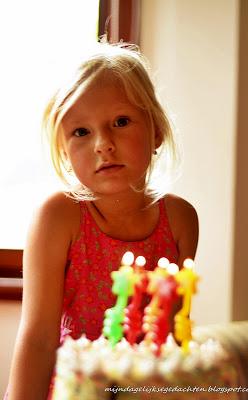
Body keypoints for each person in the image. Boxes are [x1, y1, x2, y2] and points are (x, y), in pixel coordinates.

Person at [6, 42, 199, 399]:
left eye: (121, 122)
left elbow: (171, 334)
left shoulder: (180, 218)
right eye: (81, 132)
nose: (103, 144)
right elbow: (38, 339)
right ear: (64, 150)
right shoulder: (59, 217)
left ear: (156, 130)